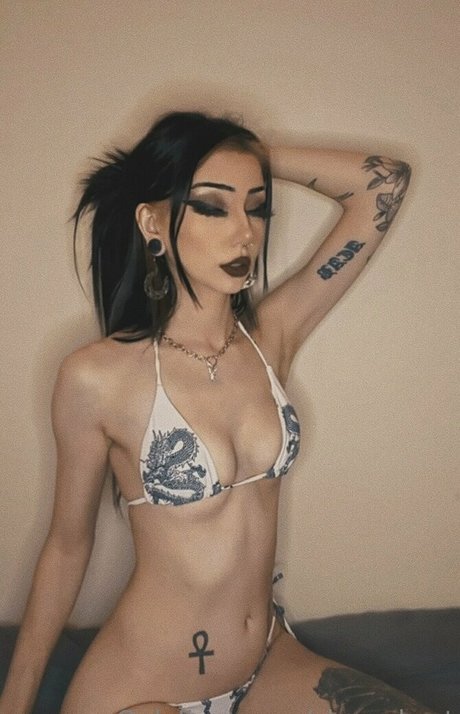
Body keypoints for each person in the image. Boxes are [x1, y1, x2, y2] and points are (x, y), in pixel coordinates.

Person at [0, 111, 428, 714]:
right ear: (152, 222)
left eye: (257, 206)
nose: (245, 233)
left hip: (267, 661)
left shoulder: (271, 338)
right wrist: (15, 701)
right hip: (145, 687)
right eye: (210, 206)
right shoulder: (96, 377)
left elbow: (383, 185)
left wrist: (246, 153)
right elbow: (68, 547)